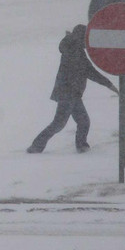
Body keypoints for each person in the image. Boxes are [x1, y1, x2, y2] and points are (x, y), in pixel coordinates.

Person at [27, 24, 118, 154]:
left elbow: (88, 70)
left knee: (82, 121)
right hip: (68, 94)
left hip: (72, 94)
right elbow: (89, 71)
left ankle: (80, 146)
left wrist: (109, 85)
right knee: (60, 123)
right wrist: (109, 85)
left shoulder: (74, 49)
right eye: (86, 38)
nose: (88, 41)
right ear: (81, 37)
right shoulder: (74, 51)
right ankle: (37, 146)